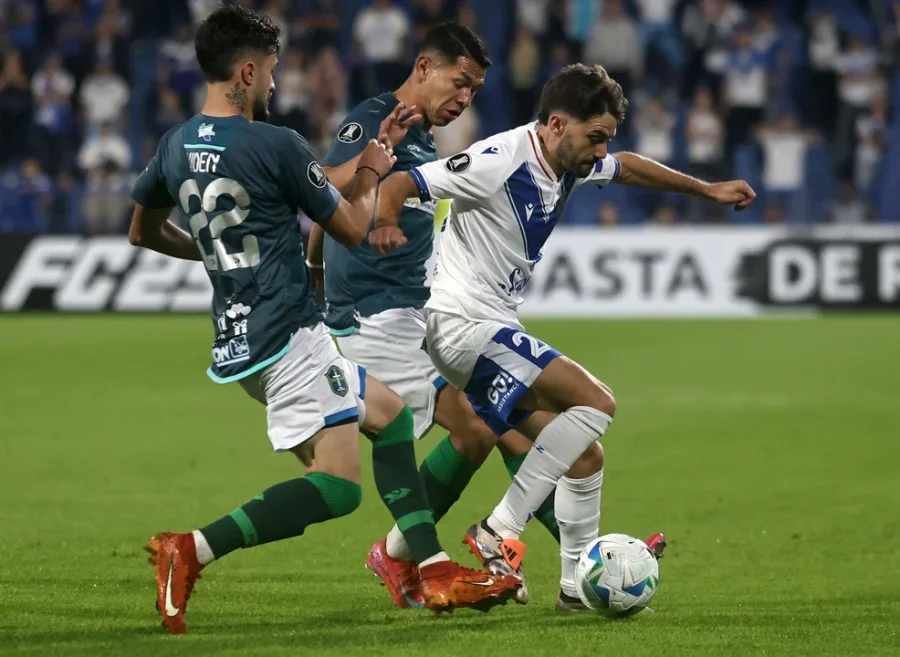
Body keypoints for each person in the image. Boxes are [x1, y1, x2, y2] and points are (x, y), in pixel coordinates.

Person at [127, 5, 521, 634]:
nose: (277, 84)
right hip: (288, 338)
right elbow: (350, 223)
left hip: (242, 337)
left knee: (389, 420)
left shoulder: (175, 145)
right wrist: (373, 168)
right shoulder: (275, 142)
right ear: (248, 71)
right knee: (339, 489)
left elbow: (141, 231)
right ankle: (191, 548)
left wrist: (217, 252)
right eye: (273, 72)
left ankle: (435, 570)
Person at [370, 63, 755, 610]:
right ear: (555, 123)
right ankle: (498, 528)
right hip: (462, 327)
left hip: (491, 330)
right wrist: (385, 220)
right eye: (595, 137)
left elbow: (629, 169)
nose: (601, 151)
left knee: (584, 455)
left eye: (606, 139)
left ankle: (574, 586)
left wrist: (706, 188)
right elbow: (406, 181)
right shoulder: (500, 160)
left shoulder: (572, 159)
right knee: (596, 402)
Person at [306, 21, 573, 608]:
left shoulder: (422, 139)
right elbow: (323, 190)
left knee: (500, 424)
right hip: (375, 319)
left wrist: (317, 274)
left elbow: (328, 225)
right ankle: (421, 560)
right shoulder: (376, 119)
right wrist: (324, 289)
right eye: (459, 83)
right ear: (424, 68)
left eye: (474, 91)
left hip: (416, 315)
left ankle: (575, 557)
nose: (464, 99)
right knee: (486, 426)